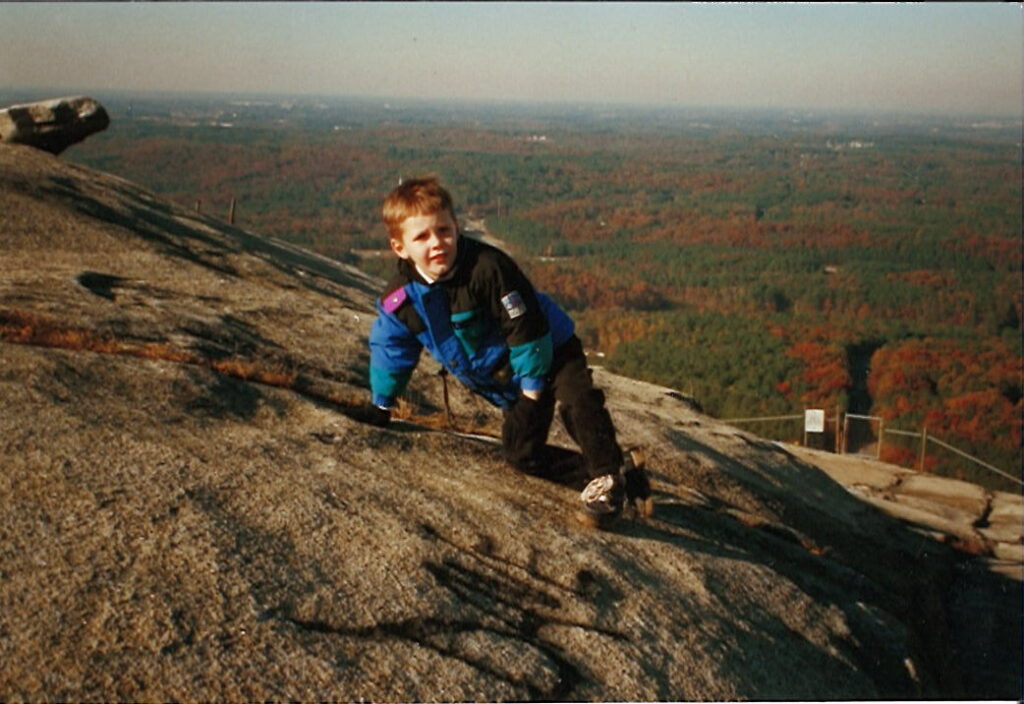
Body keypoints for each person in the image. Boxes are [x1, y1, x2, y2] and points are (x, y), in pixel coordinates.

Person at [365, 176, 649, 525]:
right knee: (521, 455)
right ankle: (615, 473)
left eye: (444, 230)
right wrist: (382, 403)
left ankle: (606, 479)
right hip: (508, 378)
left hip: (554, 350)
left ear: (457, 227)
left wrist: (532, 389)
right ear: (400, 247)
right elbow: (390, 348)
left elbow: (525, 327)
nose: (437, 243)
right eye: (421, 236)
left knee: (579, 403)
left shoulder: (488, 268)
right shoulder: (402, 300)